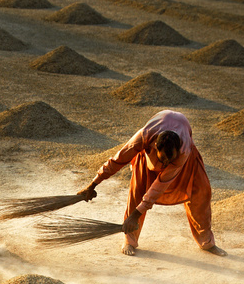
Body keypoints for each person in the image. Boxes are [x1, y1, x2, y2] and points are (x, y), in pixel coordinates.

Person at [77, 109, 226, 257]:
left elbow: (160, 184)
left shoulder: (183, 151)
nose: (166, 164)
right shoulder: (144, 136)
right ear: (155, 147)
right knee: (137, 191)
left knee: (201, 193)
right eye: (163, 160)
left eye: (170, 160)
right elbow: (118, 159)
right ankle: (130, 240)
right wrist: (93, 184)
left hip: (186, 164)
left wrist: (136, 214)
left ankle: (207, 242)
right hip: (149, 160)